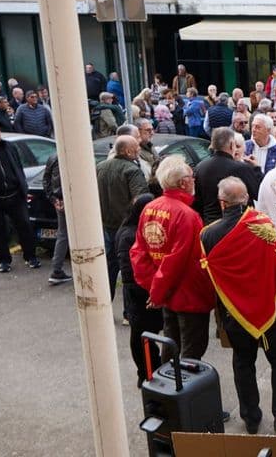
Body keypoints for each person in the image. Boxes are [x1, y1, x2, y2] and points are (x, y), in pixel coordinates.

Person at [201, 177, 276, 436]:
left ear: (221, 202)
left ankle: (250, 418)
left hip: (234, 313)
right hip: (271, 311)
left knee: (243, 363)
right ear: (247, 197)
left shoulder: (207, 234)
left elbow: (211, 274)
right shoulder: (261, 224)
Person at [130, 156, 215, 360]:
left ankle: (167, 388)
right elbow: (176, 261)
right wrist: (157, 291)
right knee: (191, 351)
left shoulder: (150, 208)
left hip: (167, 293)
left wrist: (155, 289)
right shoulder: (187, 216)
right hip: (189, 295)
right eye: (192, 176)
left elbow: (139, 253)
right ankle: (184, 390)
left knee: (171, 345)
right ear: (183, 182)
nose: (195, 180)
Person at [116, 193, 163, 387]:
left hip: (141, 291)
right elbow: (129, 271)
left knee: (144, 334)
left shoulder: (131, 229)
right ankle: (146, 372)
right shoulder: (130, 234)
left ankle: (150, 369)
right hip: (138, 293)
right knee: (142, 336)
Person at [97, 134, 148, 298]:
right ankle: (128, 312)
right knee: (128, 270)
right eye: (136, 147)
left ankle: (105, 300)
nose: (139, 149)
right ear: (127, 151)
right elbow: (140, 199)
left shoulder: (100, 167)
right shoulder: (132, 170)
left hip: (106, 225)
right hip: (126, 227)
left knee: (109, 266)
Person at [0, 121, 39, 272]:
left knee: (24, 226)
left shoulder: (9, 147)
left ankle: (31, 256)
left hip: (15, 195)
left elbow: (18, 167)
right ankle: (3, 260)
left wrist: (23, 187)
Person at [193, 128, 263, 224]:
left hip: (210, 225)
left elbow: (196, 202)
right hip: (238, 225)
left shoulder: (200, 168)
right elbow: (259, 193)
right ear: (231, 145)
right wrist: (257, 169)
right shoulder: (242, 169)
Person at [42, 155, 72, 285]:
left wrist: (54, 199)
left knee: (63, 234)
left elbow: (46, 179)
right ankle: (57, 270)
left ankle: (57, 269)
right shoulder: (73, 155)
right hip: (68, 200)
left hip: (60, 201)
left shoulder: (53, 157)